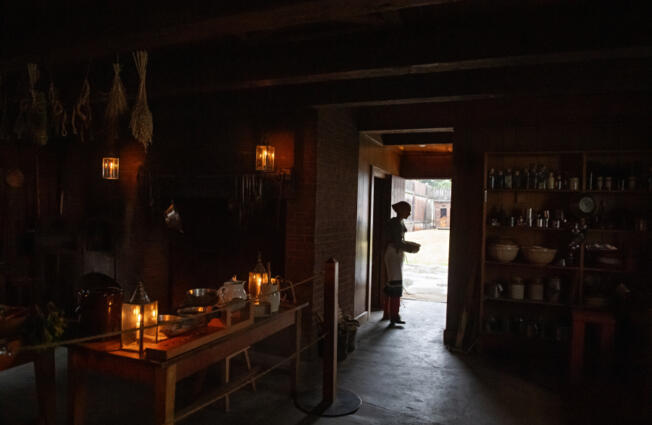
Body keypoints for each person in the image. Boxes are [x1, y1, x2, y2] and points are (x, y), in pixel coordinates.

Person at [383, 201, 420, 326]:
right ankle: (394, 315)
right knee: (395, 285)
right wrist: (411, 249)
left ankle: (388, 314)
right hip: (394, 254)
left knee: (391, 284)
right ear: (401, 211)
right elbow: (398, 243)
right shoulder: (395, 224)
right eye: (408, 210)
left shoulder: (398, 222)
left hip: (394, 253)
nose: (409, 213)